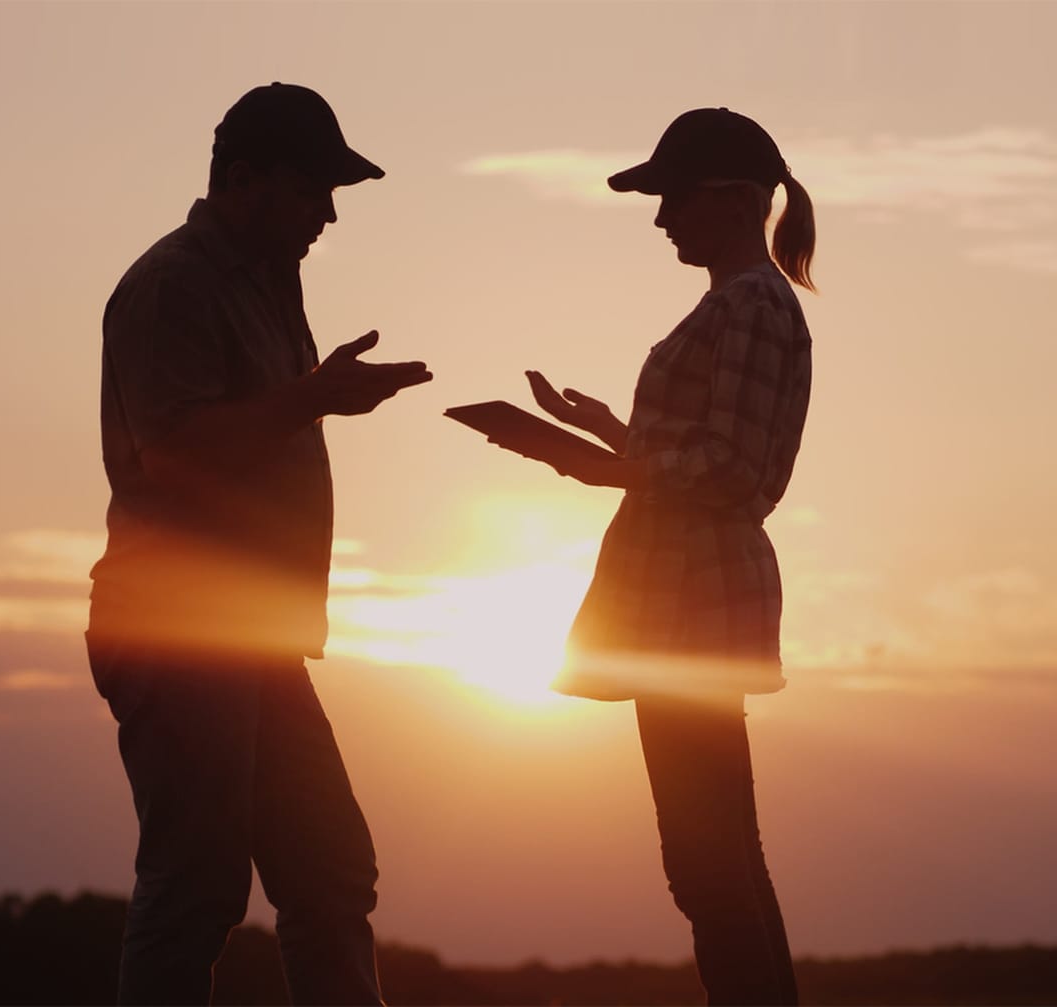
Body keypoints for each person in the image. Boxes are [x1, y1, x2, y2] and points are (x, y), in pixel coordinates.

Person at [86, 82, 431, 1006]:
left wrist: (311, 393)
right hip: (177, 628)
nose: (327, 212)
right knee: (196, 889)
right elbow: (175, 452)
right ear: (243, 181)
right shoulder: (173, 283)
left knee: (329, 869)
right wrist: (315, 396)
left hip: (252, 634)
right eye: (313, 188)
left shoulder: (268, 279)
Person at [509, 107, 816, 1005]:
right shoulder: (741, 304)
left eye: (671, 198)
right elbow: (708, 451)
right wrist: (603, 431)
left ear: (729, 200)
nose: (660, 218)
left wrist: (602, 463)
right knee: (721, 856)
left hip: (694, 603)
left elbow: (730, 468)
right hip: (685, 598)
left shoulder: (752, 305)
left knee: (708, 863)